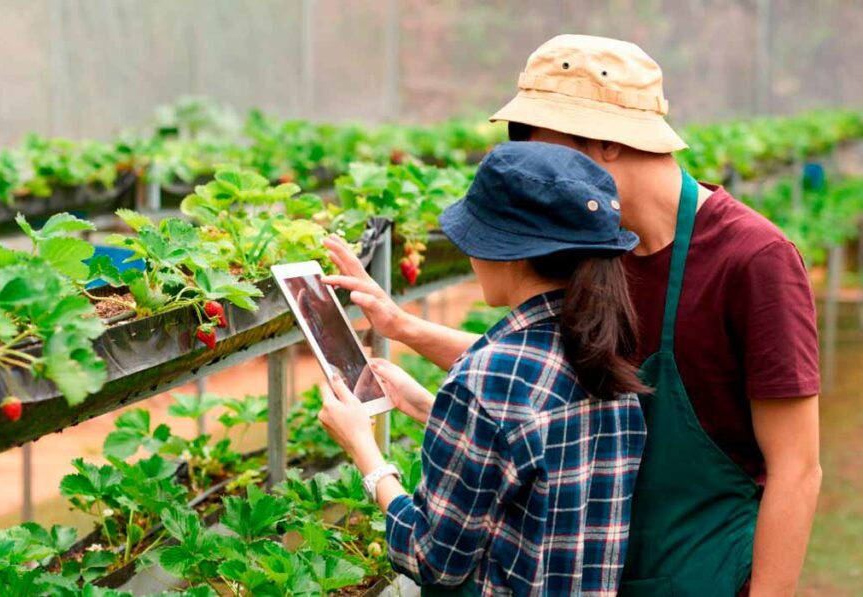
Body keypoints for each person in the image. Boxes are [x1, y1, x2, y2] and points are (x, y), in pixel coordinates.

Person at [328, 34, 822, 596]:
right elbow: (551, 375)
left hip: (702, 575)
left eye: (534, 139)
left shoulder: (753, 259)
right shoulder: (594, 251)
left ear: (604, 141)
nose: (530, 161)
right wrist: (403, 327)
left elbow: (798, 470)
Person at [318, 141, 648, 595]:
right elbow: (532, 461)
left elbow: (433, 558)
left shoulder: (487, 380)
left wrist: (363, 450)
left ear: (508, 252)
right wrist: (430, 408)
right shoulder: (606, 349)